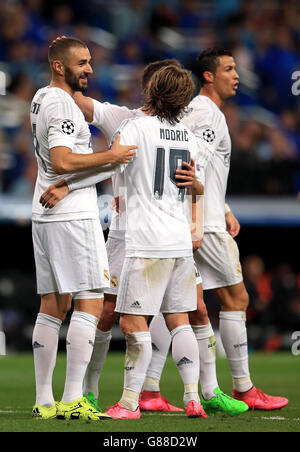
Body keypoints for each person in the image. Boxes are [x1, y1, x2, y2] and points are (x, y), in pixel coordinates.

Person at [40, 55, 247, 416]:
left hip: (145, 236)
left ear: (152, 88)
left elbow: (116, 161)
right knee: (131, 313)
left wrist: (66, 186)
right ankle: (183, 396)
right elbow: (196, 184)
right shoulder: (150, 124)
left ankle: (143, 396)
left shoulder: (136, 129)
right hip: (146, 237)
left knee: (165, 314)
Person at [144, 48, 289, 412]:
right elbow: (192, 165)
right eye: (228, 68)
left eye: (236, 68)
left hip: (198, 218)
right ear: (208, 76)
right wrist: (203, 216)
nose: (236, 74)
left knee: (177, 307)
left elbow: (193, 164)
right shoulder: (208, 114)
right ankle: (242, 387)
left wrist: (222, 205)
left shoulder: (200, 111)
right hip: (202, 226)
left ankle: (149, 389)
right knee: (235, 300)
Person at [30, 36, 137, 420]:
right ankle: (74, 398)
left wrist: (105, 162)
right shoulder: (60, 103)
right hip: (72, 218)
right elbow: (61, 160)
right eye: (81, 63)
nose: (90, 69)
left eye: (89, 62)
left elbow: (64, 166)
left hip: (46, 212)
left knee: (52, 306)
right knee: (90, 301)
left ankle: (44, 401)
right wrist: (111, 156)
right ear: (60, 66)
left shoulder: (42, 96)